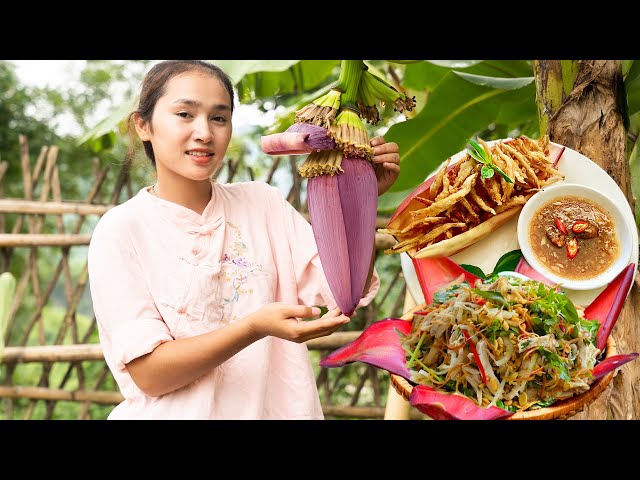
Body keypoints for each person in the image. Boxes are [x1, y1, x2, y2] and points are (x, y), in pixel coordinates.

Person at [87, 60, 401, 419]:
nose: (205, 132)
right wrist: (252, 328)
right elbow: (151, 374)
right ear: (142, 125)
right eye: (185, 114)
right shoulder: (121, 230)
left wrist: (362, 199)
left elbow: (343, 290)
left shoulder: (262, 202)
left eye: (219, 118)